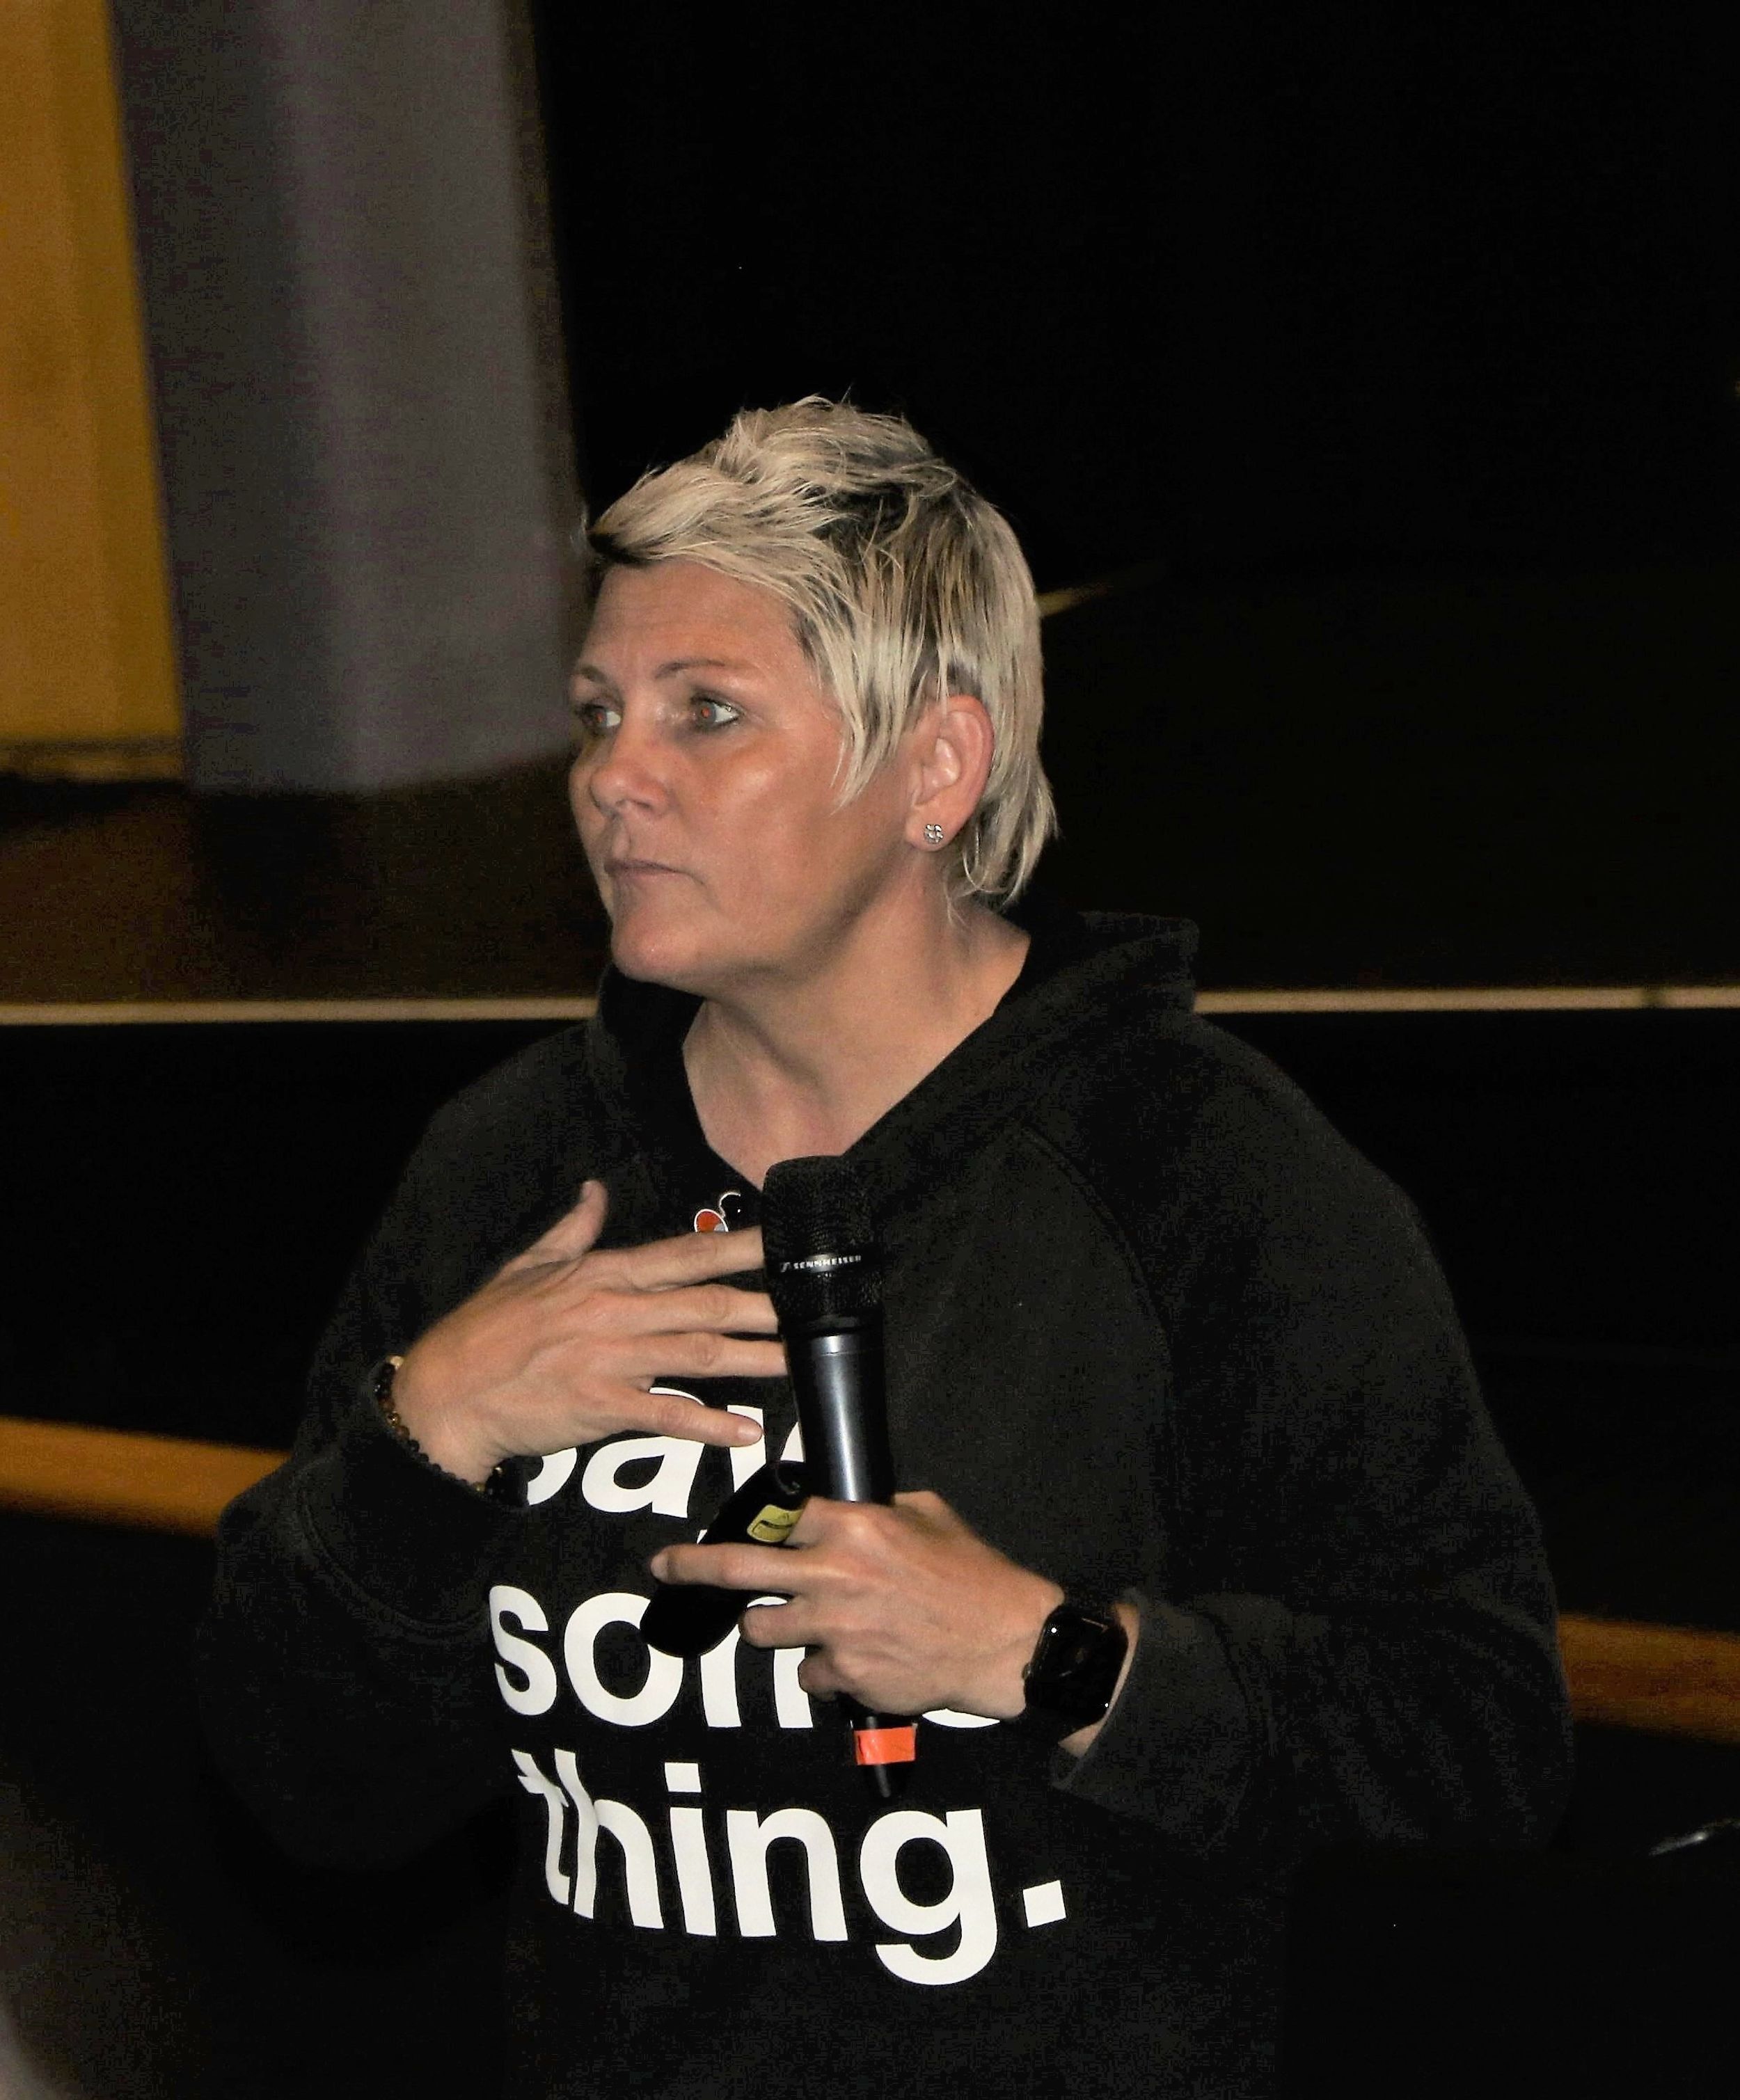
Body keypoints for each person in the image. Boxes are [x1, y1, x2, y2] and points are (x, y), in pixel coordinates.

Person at [197, 398, 1572, 2097]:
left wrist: (1053, 1657)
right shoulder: (512, 1174)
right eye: (598, 715)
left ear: (934, 767)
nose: (614, 776)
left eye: (706, 712)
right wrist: (428, 1436)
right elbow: (308, 1793)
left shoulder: (1204, 1174)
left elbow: (1475, 1741)